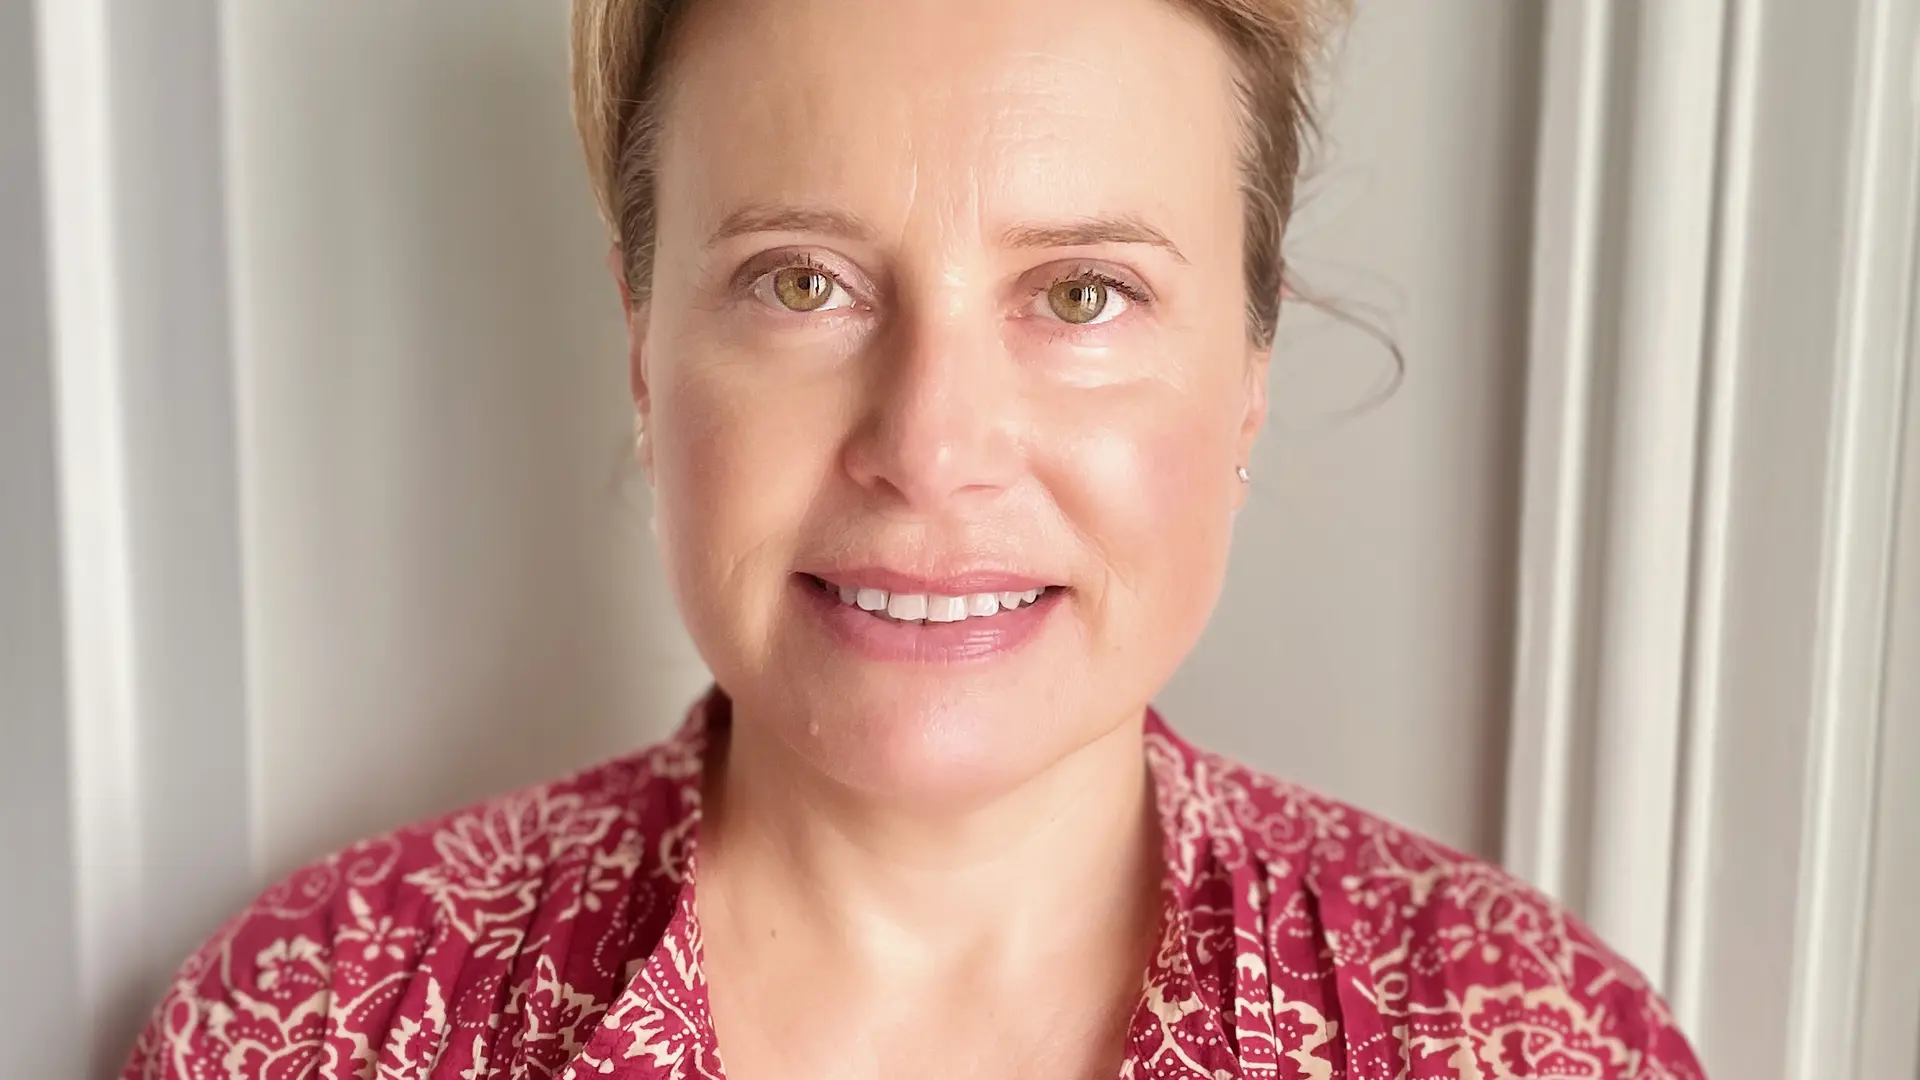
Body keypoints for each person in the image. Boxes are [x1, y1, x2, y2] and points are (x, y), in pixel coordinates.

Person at [121, 0, 1707, 1076]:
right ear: (643, 352)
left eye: (1081, 293)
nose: (932, 450)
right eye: (801, 282)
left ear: (1248, 381)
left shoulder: (1529, 1040)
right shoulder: (315, 1023)